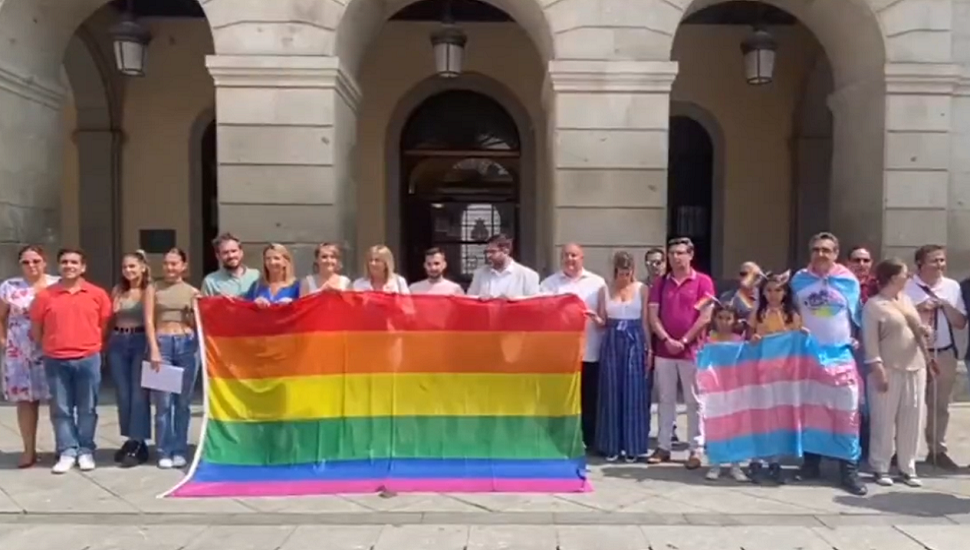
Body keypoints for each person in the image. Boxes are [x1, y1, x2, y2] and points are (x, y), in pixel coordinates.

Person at [790, 232, 866, 495]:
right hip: (810, 357)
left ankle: (849, 469)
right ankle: (811, 464)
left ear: (836, 253)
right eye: (817, 250)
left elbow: (857, 317)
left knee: (846, 414)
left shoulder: (848, 281)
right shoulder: (799, 281)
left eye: (827, 250)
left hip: (841, 356)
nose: (821, 254)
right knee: (811, 413)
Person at [29, 248, 112, 474]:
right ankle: (67, 450)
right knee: (61, 409)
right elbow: (36, 328)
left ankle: (85, 449)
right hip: (56, 359)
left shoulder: (97, 294)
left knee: (88, 408)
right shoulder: (46, 295)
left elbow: (104, 325)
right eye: (64, 262)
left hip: (87, 358)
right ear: (59, 266)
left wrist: (92, 345)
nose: (69, 266)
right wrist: (49, 345)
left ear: (83, 267)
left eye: (74, 262)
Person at [863, 258, 934, 488]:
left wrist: (925, 333)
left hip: (915, 366)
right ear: (893, 277)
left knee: (912, 418)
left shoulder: (906, 300)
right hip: (888, 368)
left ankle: (907, 467)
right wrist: (877, 368)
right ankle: (880, 466)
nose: (909, 276)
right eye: (905, 273)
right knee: (883, 420)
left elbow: (914, 330)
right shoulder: (874, 305)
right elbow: (870, 342)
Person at [647, 237, 715, 469]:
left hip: (692, 351)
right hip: (664, 351)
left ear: (690, 254)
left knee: (694, 401)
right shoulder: (660, 283)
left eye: (680, 253)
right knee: (665, 400)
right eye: (672, 253)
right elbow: (653, 316)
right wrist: (666, 339)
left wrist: (684, 341)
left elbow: (705, 316)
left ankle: (695, 449)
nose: (675, 257)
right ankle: (663, 446)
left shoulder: (703, 282)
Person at [903, 244, 966, 470]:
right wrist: (920, 307)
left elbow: (960, 322)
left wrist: (944, 305)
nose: (939, 265)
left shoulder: (952, 287)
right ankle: (902, 450)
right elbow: (896, 316)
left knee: (940, 405)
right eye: (934, 261)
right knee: (908, 403)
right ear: (920, 264)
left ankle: (937, 450)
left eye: (942, 260)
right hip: (913, 351)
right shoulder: (906, 286)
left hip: (944, 352)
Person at [540, 244, 607, 449]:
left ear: (582, 257)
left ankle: (590, 439)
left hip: (590, 349)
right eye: (565, 255)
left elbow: (604, 319)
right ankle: (559, 440)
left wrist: (595, 318)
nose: (570, 259)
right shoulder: (549, 284)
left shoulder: (597, 283)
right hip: (560, 353)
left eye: (574, 255)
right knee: (560, 399)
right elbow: (541, 314)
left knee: (589, 398)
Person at [0, 245, 58, 468]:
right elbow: (1, 317)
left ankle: (62, 447)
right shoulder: (9, 287)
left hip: (51, 348)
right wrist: (4, 341)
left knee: (58, 400)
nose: (31, 266)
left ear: (45, 262)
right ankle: (28, 449)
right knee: (26, 402)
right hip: (19, 351)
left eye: (36, 261)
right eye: (26, 262)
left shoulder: (57, 284)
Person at [144, 248, 200, 469]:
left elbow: (198, 323)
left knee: (183, 402)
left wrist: (195, 310)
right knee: (164, 402)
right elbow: (148, 320)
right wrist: (154, 349)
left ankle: (180, 448)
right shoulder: (153, 288)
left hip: (186, 345)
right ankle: (164, 449)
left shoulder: (192, 291)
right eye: (166, 263)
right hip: (163, 345)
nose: (169, 267)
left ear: (183, 266)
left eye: (174, 263)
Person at [747, 271, 804, 485]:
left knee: (779, 417)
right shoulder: (759, 313)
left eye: (778, 290)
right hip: (762, 372)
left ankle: (775, 460)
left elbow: (797, 341)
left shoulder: (792, 315)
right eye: (768, 290)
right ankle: (756, 460)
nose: (773, 295)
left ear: (785, 292)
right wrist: (754, 339)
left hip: (784, 375)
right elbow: (749, 339)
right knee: (761, 416)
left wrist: (802, 337)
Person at [592, 251, 649, 462]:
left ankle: (633, 446)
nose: (624, 276)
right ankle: (611, 445)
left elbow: (645, 321)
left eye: (628, 272)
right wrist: (592, 318)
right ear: (615, 271)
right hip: (612, 340)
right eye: (621, 272)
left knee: (634, 392)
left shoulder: (642, 289)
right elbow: (603, 320)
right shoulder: (604, 290)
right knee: (611, 392)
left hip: (634, 338)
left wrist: (648, 349)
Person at [106, 251, 152, 467]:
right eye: (125, 267)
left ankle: (139, 441)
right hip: (118, 341)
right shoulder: (118, 290)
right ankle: (130, 438)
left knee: (138, 393)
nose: (128, 271)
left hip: (140, 340)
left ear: (143, 267)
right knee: (123, 393)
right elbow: (107, 319)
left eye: (133, 266)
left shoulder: (149, 290)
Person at [704, 302, 748, 482]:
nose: (724, 322)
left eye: (728, 318)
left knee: (735, 426)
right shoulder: (709, 338)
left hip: (734, 387)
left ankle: (735, 464)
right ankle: (715, 462)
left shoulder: (739, 341)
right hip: (714, 389)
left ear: (734, 320)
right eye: (720, 318)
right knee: (716, 425)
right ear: (714, 319)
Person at [467, 234, 539, 299]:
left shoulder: (528, 275)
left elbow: (533, 303)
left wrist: (513, 300)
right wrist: (481, 298)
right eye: (486, 252)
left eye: (492, 252)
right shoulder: (480, 274)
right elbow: (470, 299)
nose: (488, 256)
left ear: (506, 251)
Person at [201, 233, 260, 297]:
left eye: (234, 251)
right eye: (225, 252)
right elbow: (205, 306)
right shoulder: (210, 282)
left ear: (241, 252)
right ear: (218, 256)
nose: (231, 256)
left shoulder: (256, 276)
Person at [719, 261, 762, 326]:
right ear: (738, 276)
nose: (748, 278)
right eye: (743, 274)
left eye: (753, 275)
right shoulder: (727, 297)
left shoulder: (765, 296)